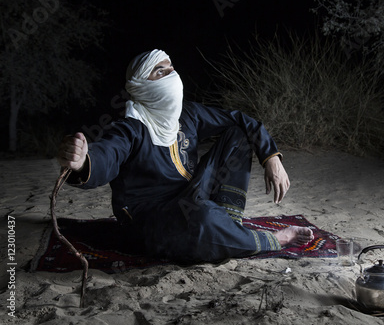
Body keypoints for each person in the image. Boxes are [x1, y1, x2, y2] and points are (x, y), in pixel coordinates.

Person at [57, 49, 313, 264]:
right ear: (141, 86)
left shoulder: (187, 114)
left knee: (238, 134)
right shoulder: (130, 129)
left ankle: (229, 225)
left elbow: (240, 120)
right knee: (202, 217)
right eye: (160, 71)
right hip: (152, 218)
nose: (172, 75)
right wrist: (82, 162)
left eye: (171, 68)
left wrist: (271, 157)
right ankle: (274, 239)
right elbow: (106, 155)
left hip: (191, 196)